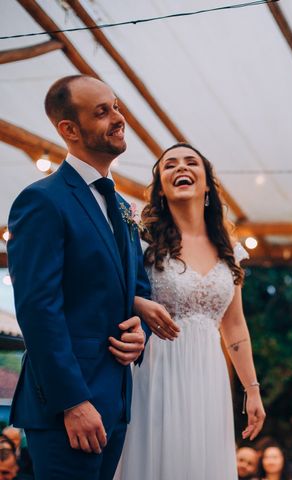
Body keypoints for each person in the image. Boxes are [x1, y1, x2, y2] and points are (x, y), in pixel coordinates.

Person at [7, 75, 152, 479]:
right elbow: (38, 308)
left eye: (117, 106)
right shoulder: (42, 200)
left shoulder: (121, 205)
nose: (118, 118)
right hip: (67, 409)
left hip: (115, 401)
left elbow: (135, 290)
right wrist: (72, 402)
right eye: (101, 112)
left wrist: (141, 333)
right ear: (69, 129)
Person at [117, 143, 266, 479]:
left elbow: (235, 325)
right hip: (156, 371)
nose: (180, 168)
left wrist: (252, 390)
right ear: (160, 188)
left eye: (190, 162)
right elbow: (113, 294)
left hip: (209, 375)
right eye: (169, 165)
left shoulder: (228, 248)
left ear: (207, 184)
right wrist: (137, 303)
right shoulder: (142, 241)